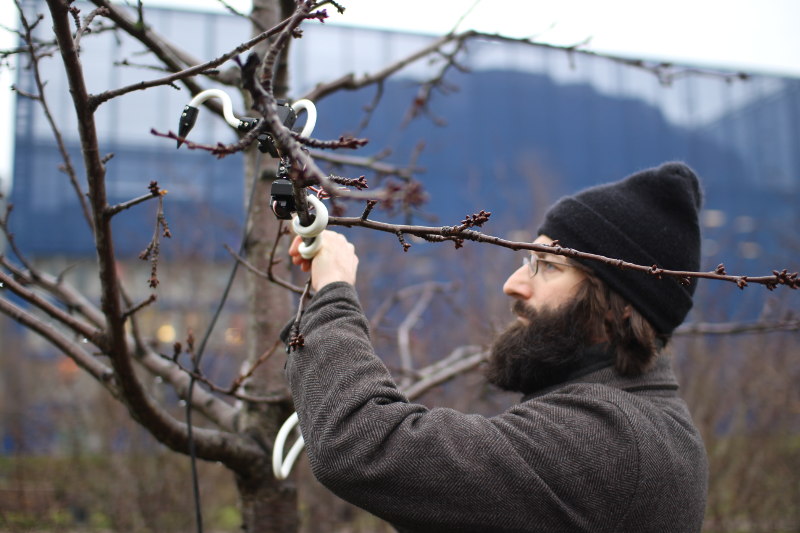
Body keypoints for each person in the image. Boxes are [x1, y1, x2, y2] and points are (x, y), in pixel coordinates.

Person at [283, 162, 709, 532]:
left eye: (548, 266)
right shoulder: (639, 423)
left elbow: (364, 446)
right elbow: (436, 504)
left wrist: (333, 292)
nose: (513, 284)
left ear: (619, 307)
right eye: (527, 260)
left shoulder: (613, 439)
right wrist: (315, 326)